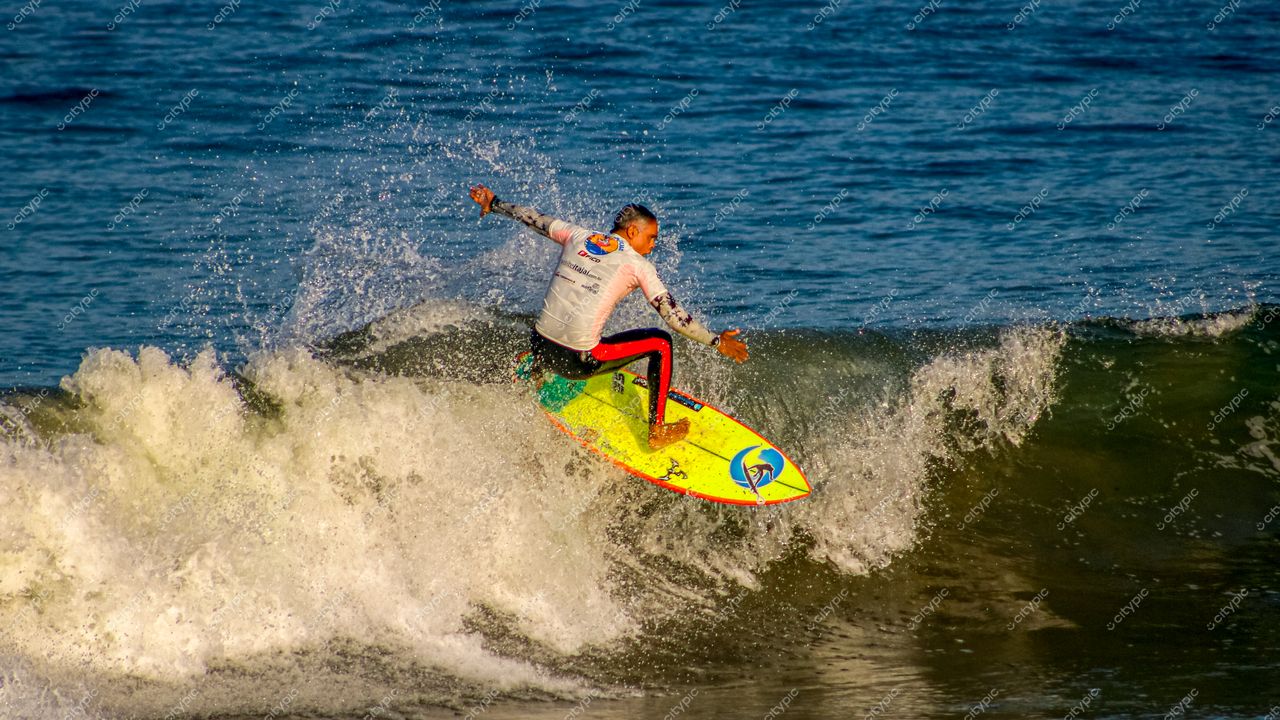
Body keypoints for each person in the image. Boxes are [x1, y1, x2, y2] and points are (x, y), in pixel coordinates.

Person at [468, 184, 748, 449]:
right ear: (632, 231)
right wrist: (716, 341)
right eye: (651, 237)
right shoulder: (638, 265)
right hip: (577, 361)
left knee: (559, 319)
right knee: (661, 343)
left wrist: (494, 203)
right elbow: (674, 317)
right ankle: (657, 430)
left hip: (539, 347)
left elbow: (532, 218)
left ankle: (537, 375)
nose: (652, 246)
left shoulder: (577, 235)